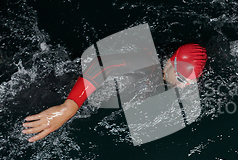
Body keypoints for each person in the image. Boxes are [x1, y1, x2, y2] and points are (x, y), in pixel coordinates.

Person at [22, 43, 209, 142]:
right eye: (182, 79)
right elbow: (101, 64)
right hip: (66, 85)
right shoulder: (147, 65)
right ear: (170, 62)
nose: (184, 87)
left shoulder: (167, 75)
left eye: (191, 82)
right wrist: (69, 106)